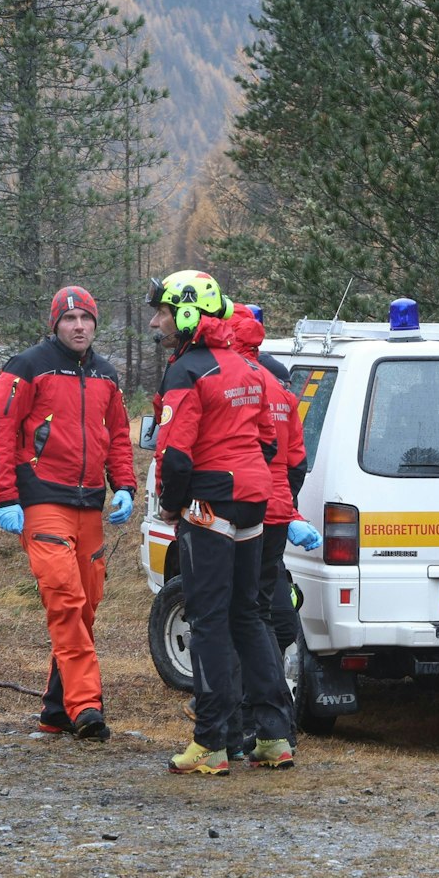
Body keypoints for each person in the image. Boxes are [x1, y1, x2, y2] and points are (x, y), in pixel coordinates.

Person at [0, 286, 138, 741]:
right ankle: (87, 705)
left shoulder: (106, 374)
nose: (79, 326)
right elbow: (0, 431)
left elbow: (118, 435)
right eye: (69, 319)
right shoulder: (27, 366)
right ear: (55, 324)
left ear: (95, 323)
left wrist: (124, 485)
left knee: (86, 606)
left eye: (86, 319)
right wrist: (6, 497)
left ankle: (56, 708)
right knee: (66, 602)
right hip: (43, 500)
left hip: (89, 503)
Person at [150, 270, 288, 776]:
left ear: (187, 313)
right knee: (248, 615)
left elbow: (176, 454)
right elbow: (268, 441)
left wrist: (171, 503)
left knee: (207, 619)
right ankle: (273, 736)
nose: (156, 322)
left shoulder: (186, 370)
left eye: (162, 312)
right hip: (253, 498)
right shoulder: (248, 366)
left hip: (210, 501)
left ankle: (211, 742)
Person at [229, 307, 321, 765]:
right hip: (276, 513)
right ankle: (270, 725)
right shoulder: (281, 390)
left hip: (238, 513)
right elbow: (295, 461)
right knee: (265, 616)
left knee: (241, 619)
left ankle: (252, 724)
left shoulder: (230, 382)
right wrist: (287, 507)